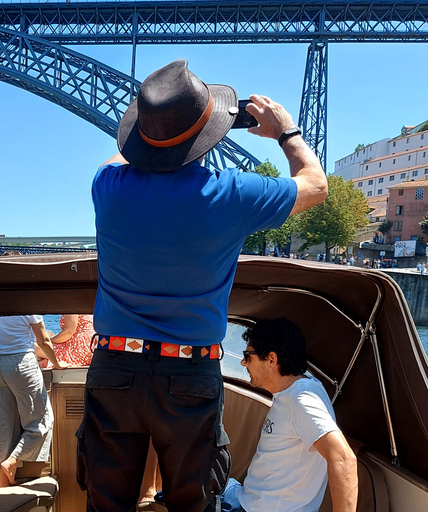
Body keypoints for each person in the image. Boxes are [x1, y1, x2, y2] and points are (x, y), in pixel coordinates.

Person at [79, 58, 328, 512]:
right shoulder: (232, 194)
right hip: (189, 376)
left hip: (114, 371)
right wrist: (285, 132)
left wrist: (169, 132)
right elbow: (315, 185)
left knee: (106, 503)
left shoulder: (108, 188)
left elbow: (124, 154)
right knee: (193, 504)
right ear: (205, 137)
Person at [222, 318, 358, 512]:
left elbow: (344, 459)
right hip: (247, 499)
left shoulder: (302, 400)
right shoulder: (299, 388)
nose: (243, 362)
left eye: (248, 356)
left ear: (271, 359)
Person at [0, 315, 65, 487]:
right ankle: (13, 460)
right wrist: (56, 364)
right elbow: (43, 340)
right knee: (42, 420)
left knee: (0, 426)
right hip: (21, 364)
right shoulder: (27, 305)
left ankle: (3, 483)